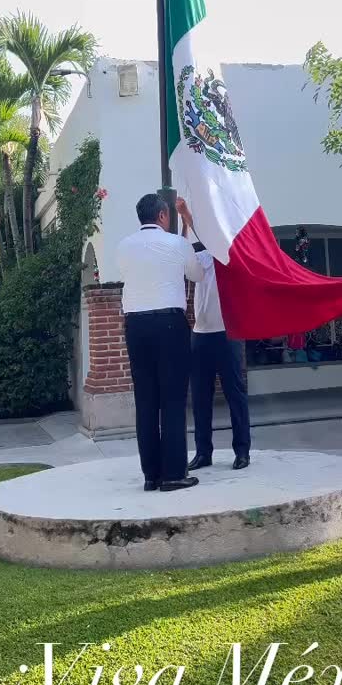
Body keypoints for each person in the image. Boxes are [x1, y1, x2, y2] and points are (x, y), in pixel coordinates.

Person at [116, 193, 204, 493]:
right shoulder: (177, 244)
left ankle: (151, 475)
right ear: (163, 215)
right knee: (173, 400)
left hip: (136, 325)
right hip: (169, 323)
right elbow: (197, 274)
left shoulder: (124, 246)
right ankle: (174, 474)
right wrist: (186, 239)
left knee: (146, 401)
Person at [176, 198, 251, 471]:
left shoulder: (230, 256)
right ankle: (203, 453)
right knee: (200, 398)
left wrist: (190, 217)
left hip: (229, 334)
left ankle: (242, 451)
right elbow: (182, 255)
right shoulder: (201, 258)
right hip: (201, 334)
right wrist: (185, 222)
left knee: (235, 395)